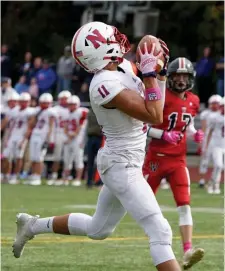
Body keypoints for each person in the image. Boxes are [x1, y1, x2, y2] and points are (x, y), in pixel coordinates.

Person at [12, 21, 181, 271]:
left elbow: (154, 104)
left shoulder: (122, 65)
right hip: (121, 165)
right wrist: (149, 76)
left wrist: (160, 75)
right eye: (110, 37)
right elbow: (154, 114)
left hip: (124, 160)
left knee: (98, 229)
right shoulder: (104, 85)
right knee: (160, 230)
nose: (118, 39)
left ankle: (32, 226)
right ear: (99, 49)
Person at [143, 58, 205, 269]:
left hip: (178, 160)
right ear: (170, 77)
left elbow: (190, 124)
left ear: (191, 78)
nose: (180, 79)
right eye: (177, 75)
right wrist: (163, 134)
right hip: (155, 159)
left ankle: (187, 250)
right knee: (141, 201)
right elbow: (143, 127)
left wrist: (196, 134)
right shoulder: (161, 97)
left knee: (184, 204)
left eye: (184, 76)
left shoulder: (194, 100)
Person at [2, 93, 35, 184]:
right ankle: (6, 174)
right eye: (21, 101)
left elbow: (29, 127)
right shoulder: (14, 110)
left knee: (18, 157)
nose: (23, 103)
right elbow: (10, 125)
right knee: (5, 156)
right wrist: (8, 138)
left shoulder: (30, 112)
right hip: (12, 135)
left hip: (21, 136)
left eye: (25, 102)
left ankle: (15, 176)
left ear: (28, 102)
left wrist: (24, 139)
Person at [28, 93, 56, 185]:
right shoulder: (36, 110)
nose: (44, 105)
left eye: (46, 103)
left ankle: (38, 176)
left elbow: (51, 127)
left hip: (43, 136)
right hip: (35, 134)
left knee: (40, 157)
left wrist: (48, 139)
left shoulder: (51, 112)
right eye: (43, 103)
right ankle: (33, 175)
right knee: (33, 156)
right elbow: (31, 124)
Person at [62, 95, 89, 186]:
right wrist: (67, 135)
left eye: (73, 104)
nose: (71, 106)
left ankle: (78, 178)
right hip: (69, 137)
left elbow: (80, 126)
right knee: (67, 159)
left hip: (78, 138)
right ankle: (65, 179)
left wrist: (72, 135)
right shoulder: (66, 113)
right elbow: (65, 126)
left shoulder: (81, 112)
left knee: (78, 158)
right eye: (69, 104)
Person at [47, 90, 71, 186]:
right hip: (58, 133)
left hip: (69, 135)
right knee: (56, 157)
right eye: (62, 99)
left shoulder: (73, 109)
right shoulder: (55, 109)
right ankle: (54, 175)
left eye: (66, 99)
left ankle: (65, 177)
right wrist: (51, 138)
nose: (64, 101)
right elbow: (51, 125)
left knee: (67, 157)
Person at [198, 94, 222, 187]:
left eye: (216, 103)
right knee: (204, 160)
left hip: (220, 140)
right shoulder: (206, 114)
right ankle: (202, 180)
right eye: (213, 103)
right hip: (208, 139)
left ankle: (214, 180)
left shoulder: (221, 114)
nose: (214, 105)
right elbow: (204, 128)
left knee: (218, 162)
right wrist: (201, 142)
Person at [204, 97, 225, 194]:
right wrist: (206, 146)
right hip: (217, 145)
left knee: (220, 166)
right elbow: (210, 132)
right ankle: (214, 184)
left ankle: (214, 183)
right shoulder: (215, 117)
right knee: (218, 165)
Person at [86, 107, 103, 188]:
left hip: (98, 137)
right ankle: (92, 181)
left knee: (96, 161)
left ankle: (94, 181)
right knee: (94, 161)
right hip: (95, 137)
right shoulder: (101, 110)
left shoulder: (91, 111)